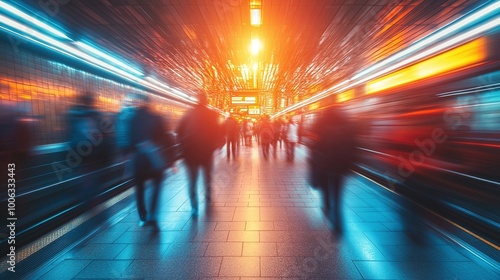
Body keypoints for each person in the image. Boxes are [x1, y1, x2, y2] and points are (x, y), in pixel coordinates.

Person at [176, 92, 223, 216]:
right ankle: (208, 200)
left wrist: (183, 147)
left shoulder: (188, 113)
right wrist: (215, 145)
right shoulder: (212, 115)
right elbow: (217, 132)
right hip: (206, 152)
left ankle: (194, 206)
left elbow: (178, 131)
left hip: (190, 153)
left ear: (197, 100)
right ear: (206, 101)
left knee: (192, 180)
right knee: (207, 178)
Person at [309, 106, 356, 231]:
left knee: (325, 189)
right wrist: (350, 165)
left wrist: (314, 164)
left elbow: (314, 148)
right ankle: (338, 222)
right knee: (337, 193)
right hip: (340, 167)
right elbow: (354, 148)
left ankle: (327, 207)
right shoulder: (347, 129)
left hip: (324, 166)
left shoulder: (321, 129)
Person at [129, 93, 168, 226]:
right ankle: (153, 214)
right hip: (154, 159)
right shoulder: (157, 117)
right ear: (149, 104)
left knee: (139, 188)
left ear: (139, 103)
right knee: (157, 185)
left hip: (139, 160)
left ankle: (143, 216)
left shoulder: (132, 118)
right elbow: (165, 138)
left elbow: (128, 141)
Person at [66, 92, 107, 209]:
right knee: (94, 175)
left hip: (78, 151)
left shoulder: (73, 114)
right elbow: (103, 135)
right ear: (91, 102)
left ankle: (86, 198)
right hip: (93, 152)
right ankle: (93, 198)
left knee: (85, 174)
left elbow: (70, 133)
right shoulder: (96, 115)